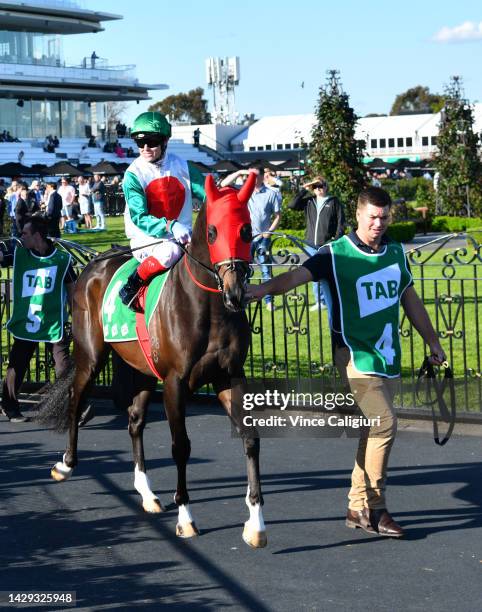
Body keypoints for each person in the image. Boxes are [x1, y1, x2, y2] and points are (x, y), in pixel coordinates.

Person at [246, 186, 446, 538]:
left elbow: (410, 300)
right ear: (358, 215)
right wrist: (260, 290)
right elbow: (295, 278)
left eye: (384, 218)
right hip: (353, 355)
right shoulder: (334, 254)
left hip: (387, 356)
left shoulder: (396, 254)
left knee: (372, 429)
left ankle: (356, 506)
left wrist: (433, 342)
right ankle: (376, 508)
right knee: (384, 424)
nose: (378, 224)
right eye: (372, 217)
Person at [119, 111, 206, 310]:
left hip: (184, 235)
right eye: (140, 143)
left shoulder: (184, 166)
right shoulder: (133, 174)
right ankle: (132, 285)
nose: (146, 148)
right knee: (170, 252)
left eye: (152, 141)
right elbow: (139, 217)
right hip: (147, 238)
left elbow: (209, 196)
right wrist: (170, 225)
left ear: (165, 140)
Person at [0, 216, 76, 423]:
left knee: (63, 366)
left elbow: (72, 290)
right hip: (27, 321)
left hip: (53, 322)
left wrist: (76, 317)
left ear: (37, 236)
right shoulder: (18, 254)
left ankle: (74, 406)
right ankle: (9, 405)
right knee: (19, 363)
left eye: (25, 233)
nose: (21, 236)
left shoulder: (62, 260)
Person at [221, 165, 281, 311]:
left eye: (254, 176)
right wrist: (240, 172)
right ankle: (243, 299)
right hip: (245, 238)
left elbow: (278, 216)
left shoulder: (271, 193)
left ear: (261, 177)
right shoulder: (242, 191)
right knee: (242, 271)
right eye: (249, 176)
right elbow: (223, 184)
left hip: (263, 237)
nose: (251, 179)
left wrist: (269, 231)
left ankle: (269, 301)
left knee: (265, 269)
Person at [288, 176, 345, 311]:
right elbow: (292, 205)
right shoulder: (309, 201)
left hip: (326, 244)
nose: (319, 189)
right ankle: (320, 301)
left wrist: (334, 240)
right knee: (313, 272)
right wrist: (304, 189)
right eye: (316, 186)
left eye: (321, 185)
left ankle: (331, 298)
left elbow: (340, 223)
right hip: (310, 244)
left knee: (328, 273)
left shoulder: (334, 202)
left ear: (326, 186)